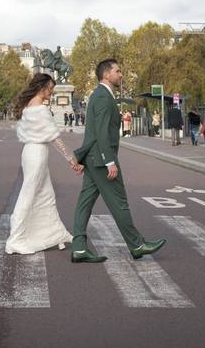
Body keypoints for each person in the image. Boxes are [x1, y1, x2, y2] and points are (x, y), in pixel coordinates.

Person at [71, 59, 167, 263]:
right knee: (119, 203)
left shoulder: (98, 95)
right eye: (118, 71)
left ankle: (79, 247)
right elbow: (102, 133)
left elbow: (93, 132)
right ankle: (137, 245)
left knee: (84, 203)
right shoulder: (104, 98)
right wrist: (109, 162)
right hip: (101, 160)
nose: (121, 74)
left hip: (93, 158)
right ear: (106, 75)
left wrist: (82, 157)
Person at [7, 73, 80, 255]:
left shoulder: (28, 105)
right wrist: (72, 160)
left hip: (29, 152)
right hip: (37, 153)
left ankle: (56, 234)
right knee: (29, 195)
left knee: (46, 195)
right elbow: (55, 137)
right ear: (42, 87)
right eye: (50, 88)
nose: (52, 92)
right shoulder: (40, 108)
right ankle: (15, 240)